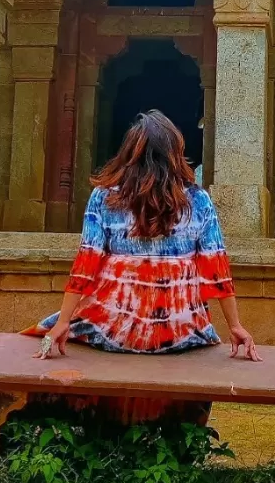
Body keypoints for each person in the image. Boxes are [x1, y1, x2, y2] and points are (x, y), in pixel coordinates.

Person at [23, 109, 260, 361]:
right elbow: (217, 268)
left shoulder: (104, 197)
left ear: (128, 154)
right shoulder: (197, 200)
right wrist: (235, 325)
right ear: (175, 154)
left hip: (113, 331)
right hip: (181, 334)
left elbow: (86, 266)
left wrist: (63, 321)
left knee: (40, 329)